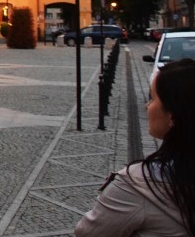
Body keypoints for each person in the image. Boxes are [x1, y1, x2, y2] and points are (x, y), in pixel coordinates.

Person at [76, 58, 195, 236]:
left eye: (153, 98)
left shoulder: (137, 185)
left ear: (172, 115)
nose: (147, 106)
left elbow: (88, 234)